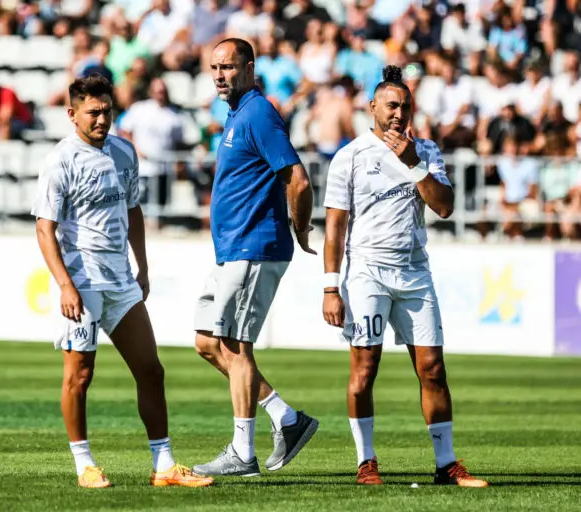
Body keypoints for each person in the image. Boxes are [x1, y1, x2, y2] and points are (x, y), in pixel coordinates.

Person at [31, 74, 213, 490]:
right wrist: (65, 285)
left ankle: (164, 465)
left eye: (107, 111)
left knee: (151, 370)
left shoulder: (124, 152)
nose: (102, 119)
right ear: (72, 114)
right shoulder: (61, 160)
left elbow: (133, 210)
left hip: (121, 280)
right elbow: (45, 228)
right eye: (93, 112)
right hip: (82, 281)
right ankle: (85, 465)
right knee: (80, 376)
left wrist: (142, 267)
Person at [321, 65, 488, 488]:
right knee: (364, 369)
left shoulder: (425, 150)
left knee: (433, 368)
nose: (399, 114)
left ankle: (446, 465)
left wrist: (413, 164)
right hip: (367, 272)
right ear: (372, 107)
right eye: (392, 106)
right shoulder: (350, 156)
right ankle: (366, 462)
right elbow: (335, 228)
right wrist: (330, 287)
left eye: (405, 107)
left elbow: (445, 206)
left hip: (414, 272)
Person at [191, 38, 319, 478]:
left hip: (254, 246)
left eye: (228, 67)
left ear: (249, 68)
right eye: (214, 68)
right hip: (230, 250)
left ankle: (242, 453)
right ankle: (285, 416)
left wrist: (300, 228)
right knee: (208, 343)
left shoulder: (260, 112)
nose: (220, 75)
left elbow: (298, 180)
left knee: (235, 346)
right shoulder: (237, 114)